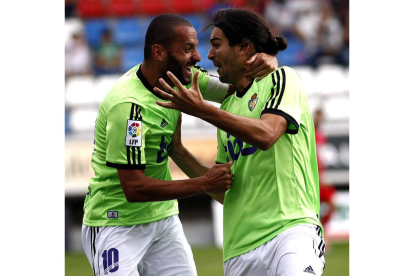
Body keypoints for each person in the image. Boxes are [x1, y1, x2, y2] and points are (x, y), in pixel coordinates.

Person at [81, 14, 279, 276]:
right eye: (188, 49)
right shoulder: (129, 107)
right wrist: (204, 183)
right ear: (159, 52)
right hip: (115, 222)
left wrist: (268, 61)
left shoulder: (183, 79)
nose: (198, 56)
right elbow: (134, 188)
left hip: (163, 219)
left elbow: (239, 86)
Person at [154, 8, 326, 276]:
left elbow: (267, 135)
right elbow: (225, 191)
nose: (209, 55)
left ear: (243, 46)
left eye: (216, 44)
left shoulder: (282, 79)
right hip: (239, 250)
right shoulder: (230, 104)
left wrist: (203, 110)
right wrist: (178, 151)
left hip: (290, 232)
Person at [313, 108, 336, 253]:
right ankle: (318, 238)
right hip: (312, 177)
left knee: (332, 204)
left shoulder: (321, 136)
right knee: (313, 209)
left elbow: (321, 158)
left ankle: (322, 234)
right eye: (318, 116)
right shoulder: (308, 132)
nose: (320, 119)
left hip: (321, 176)